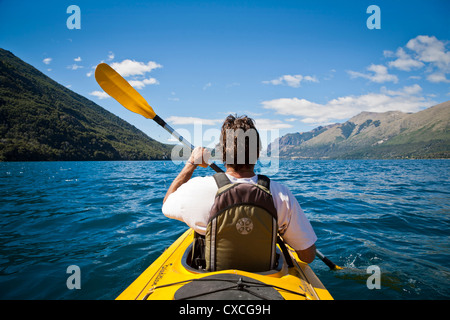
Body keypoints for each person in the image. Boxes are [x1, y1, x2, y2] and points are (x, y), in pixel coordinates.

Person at [162, 115, 317, 267]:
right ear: (257, 154)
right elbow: (307, 256)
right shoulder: (281, 194)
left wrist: (191, 163)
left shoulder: (197, 189)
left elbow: (166, 204)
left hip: (212, 283)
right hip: (267, 281)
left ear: (223, 153)